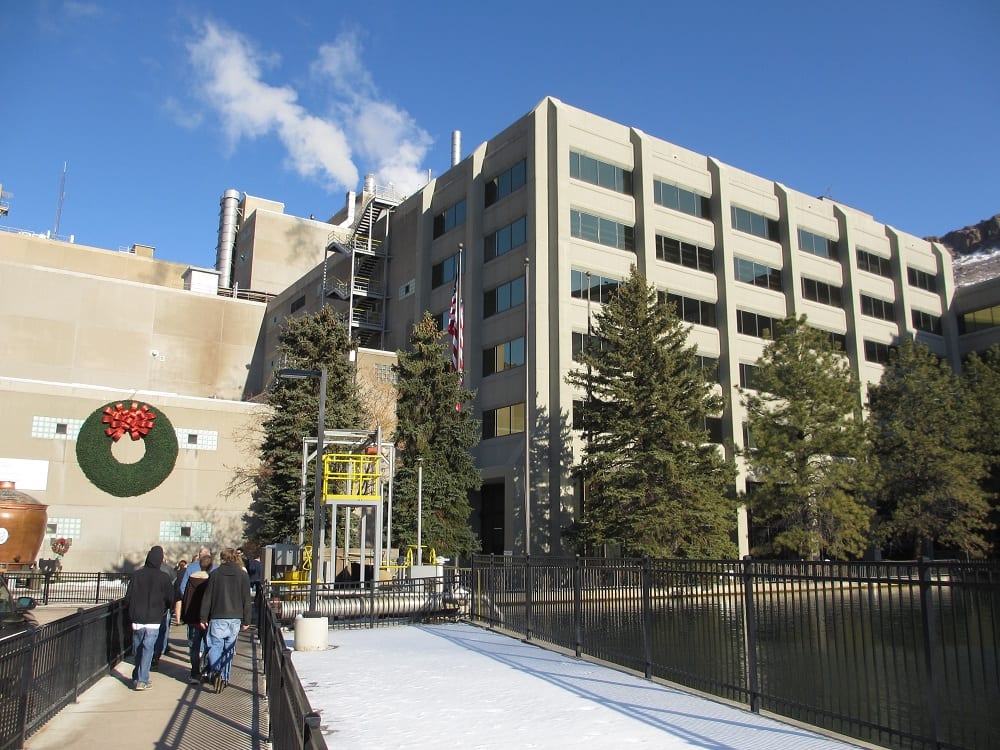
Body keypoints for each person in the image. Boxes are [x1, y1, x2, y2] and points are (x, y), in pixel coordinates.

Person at [199, 547, 251, 694]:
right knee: (229, 648)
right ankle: (225, 677)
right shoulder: (242, 575)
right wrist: (246, 620)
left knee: (215, 645)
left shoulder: (215, 574)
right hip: (235, 616)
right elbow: (246, 599)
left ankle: (216, 671)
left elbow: (207, 597)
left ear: (222, 559)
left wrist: (203, 616)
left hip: (218, 615)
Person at [127, 545, 174, 691]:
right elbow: (170, 598)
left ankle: (138, 675)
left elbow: (128, 597)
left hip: (137, 617)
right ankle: (142, 678)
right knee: (148, 648)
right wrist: (165, 608)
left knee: (138, 647)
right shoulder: (163, 577)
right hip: (154, 617)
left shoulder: (137, 575)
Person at [180, 553, 213, 684]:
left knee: (194, 646)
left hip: (193, 617)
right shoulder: (210, 580)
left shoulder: (191, 580)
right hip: (206, 618)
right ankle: (206, 670)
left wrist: (185, 615)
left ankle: (194, 673)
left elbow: (186, 597)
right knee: (209, 645)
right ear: (210, 566)